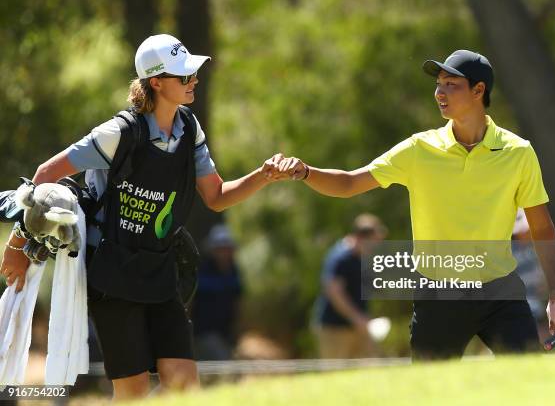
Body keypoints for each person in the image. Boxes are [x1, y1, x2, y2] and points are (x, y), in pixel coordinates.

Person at [0, 34, 286, 399]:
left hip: (161, 272)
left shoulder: (189, 129)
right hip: (113, 277)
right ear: (156, 82)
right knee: (132, 392)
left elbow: (215, 196)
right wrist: (19, 242)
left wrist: (264, 175)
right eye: (183, 76)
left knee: (183, 383)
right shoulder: (116, 134)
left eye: (192, 73)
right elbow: (44, 176)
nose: (193, 80)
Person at [274, 49, 555, 360]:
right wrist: (305, 172)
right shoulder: (419, 149)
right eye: (438, 85)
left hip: (500, 293)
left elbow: (541, 226)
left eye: (450, 85)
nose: (439, 93)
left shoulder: (518, 152)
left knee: (525, 382)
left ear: (479, 90)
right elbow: (349, 183)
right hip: (438, 296)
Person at [312, 214, 386, 358]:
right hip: (334, 328)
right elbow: (334, 292)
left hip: (359, 327)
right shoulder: (341, 257)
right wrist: (357, 318)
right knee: (335, 375)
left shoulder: (363, 257)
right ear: (361, 238)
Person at [192, 224, 243, 361]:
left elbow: (237, 300)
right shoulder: (203, 271)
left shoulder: (234, 271)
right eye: (220, 249)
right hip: (204, 332)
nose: (224, 252)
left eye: (227, 248)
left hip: (226, 333)